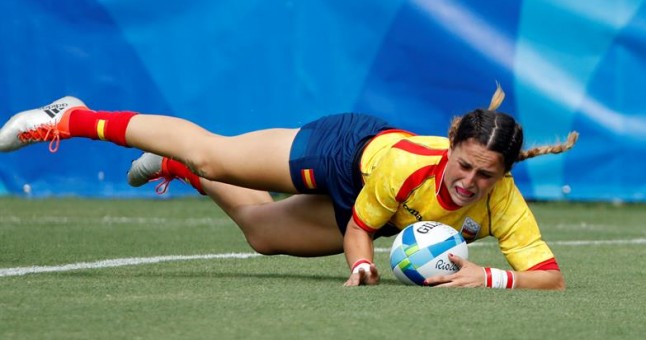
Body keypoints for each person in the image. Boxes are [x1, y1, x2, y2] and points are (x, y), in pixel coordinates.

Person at [0, 85, 577, 290]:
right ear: (452, 145)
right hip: (344, 153)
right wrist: (360, 267)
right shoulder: (408, 166)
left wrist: (491, 276)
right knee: (216, 153)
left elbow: (549, 276)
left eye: (486, 175)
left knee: (260, 234)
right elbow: (360, 230)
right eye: (465, 166)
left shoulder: (502, 199)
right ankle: (69, 117)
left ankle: (181, 171)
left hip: (383, 209)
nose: (470, 182)